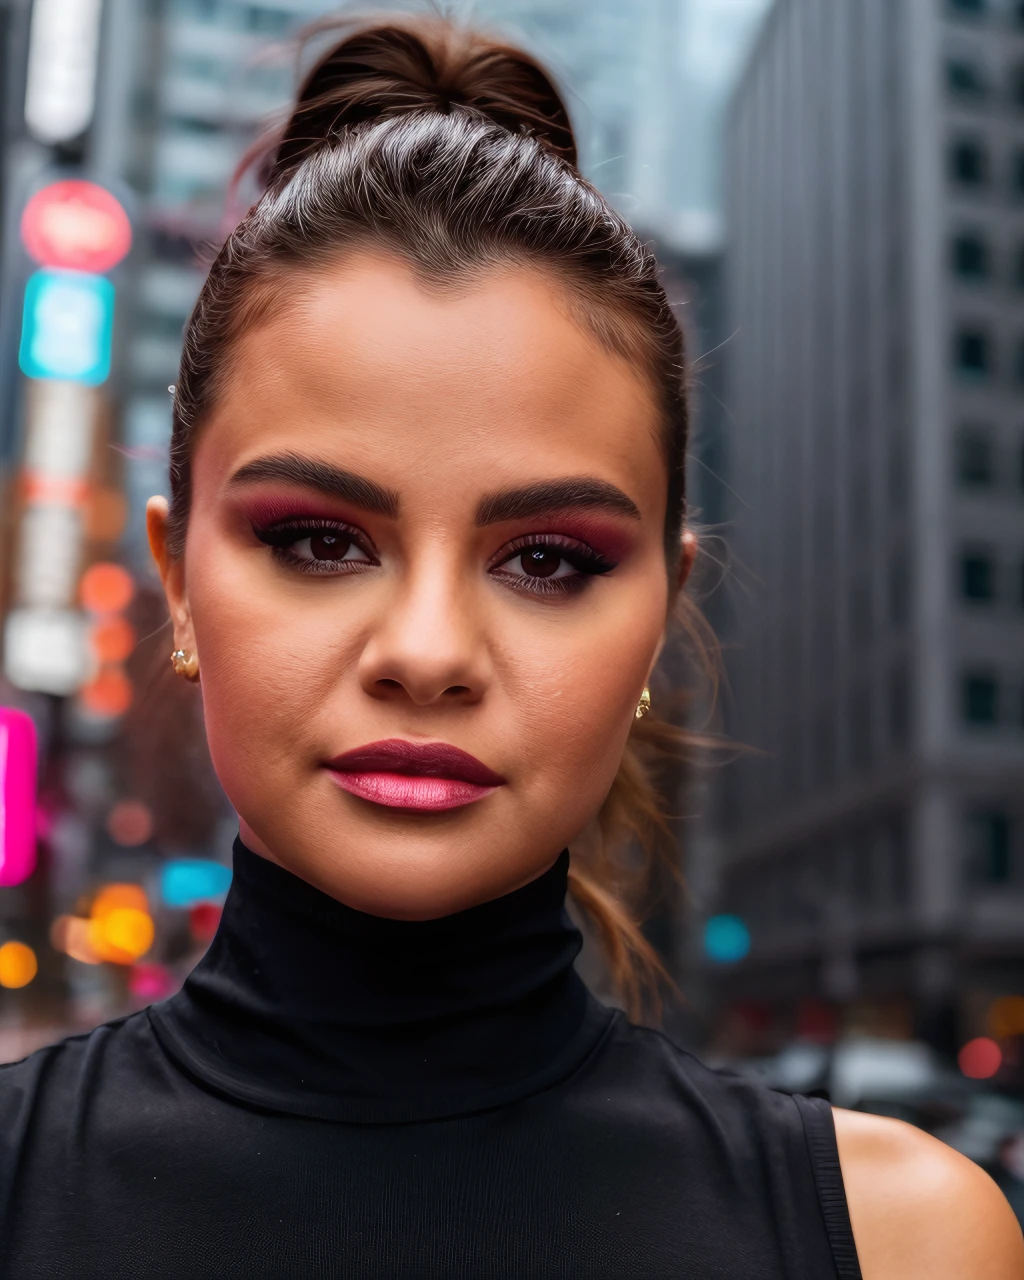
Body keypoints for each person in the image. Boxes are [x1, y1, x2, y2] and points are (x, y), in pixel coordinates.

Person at [1, 15, 1020, 1279]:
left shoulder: (903, 1240)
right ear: (179, 581)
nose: (429, 651)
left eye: (548, 560)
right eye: (319, 540)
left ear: (660, 606)